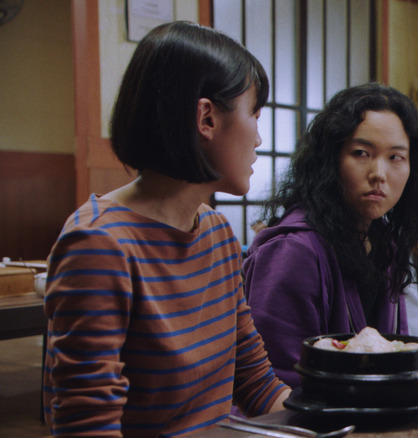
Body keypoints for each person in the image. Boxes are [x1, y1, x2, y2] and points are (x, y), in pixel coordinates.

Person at [42, 22, 290, 437]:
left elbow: (256, 384)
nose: (260, 138)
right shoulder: (99, 244)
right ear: (206, 118)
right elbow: (87, 427)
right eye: (254, 114)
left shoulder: (215, 232)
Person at [242, 83, 418, 386]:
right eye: (361, 153)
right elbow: (274, 380)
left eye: (395, 157)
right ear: (331, 160)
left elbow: (396, 352)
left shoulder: (383, 240)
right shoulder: (293, 250)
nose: (379, 173)